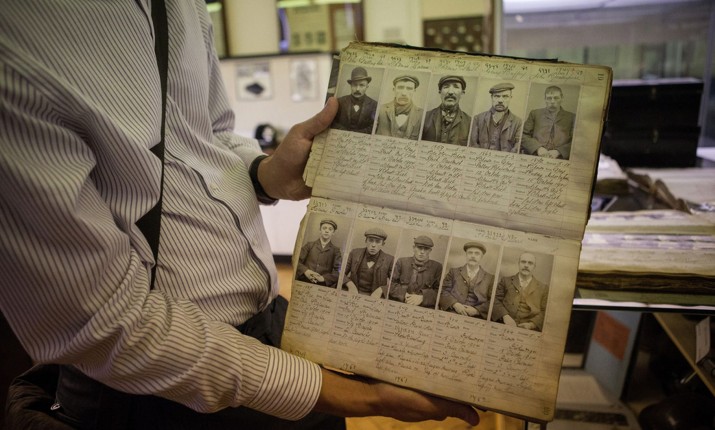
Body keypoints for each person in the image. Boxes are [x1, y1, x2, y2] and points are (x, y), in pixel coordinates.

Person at [0, 1, 479, 428]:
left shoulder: (183, 5)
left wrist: (267, 174)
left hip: (273, 326)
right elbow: (103, 324)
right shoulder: (15, 37)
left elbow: (210, 134)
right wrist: (361, 398)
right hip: (159, 387)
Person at [491, 252, 549, 331]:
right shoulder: (505, 281)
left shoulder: (543, 288)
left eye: (530, 263)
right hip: (503, 324)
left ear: (534, 267)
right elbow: (495, 300)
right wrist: (505, 316)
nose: (526, 265)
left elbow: (545, 311)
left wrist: (532, 324)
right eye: (523, 262)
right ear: (518, 264)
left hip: (529, 329)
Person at [439, 242, 495, 319]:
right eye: (470, 253)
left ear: (481, 257)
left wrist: (477, 310)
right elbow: (443, 291)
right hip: (452, 312)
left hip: (477, 317)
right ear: (466, 255)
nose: (473, 256)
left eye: (477, 253)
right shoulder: (454, 272)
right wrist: (455, 304)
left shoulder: (490, 277)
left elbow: (493, 301)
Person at [521, 85, 575, 160]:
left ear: (562, 98)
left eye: (556, 98)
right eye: (549, 98)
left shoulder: (571, 117)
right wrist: (538, 148)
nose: (552, 101)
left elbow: (576, 142)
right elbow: (523, 135)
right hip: (536, 156)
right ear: (545, 99)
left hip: (560, 159)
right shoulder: (535, 114)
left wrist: (559, 151)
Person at [389, 236, 443, 308]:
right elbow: (391, 284)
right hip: (401, 304)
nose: (422, 252)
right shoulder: (401, 262)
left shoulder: (437, 267)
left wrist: (422, 297)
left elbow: (439, 291)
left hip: (423, 307)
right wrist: (404, 294)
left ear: (430, 250)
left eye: (426, 249)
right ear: (414, 248)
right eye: (419, 248)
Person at [469, 82, 523, 152]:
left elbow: (517, 147)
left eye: (505, 96)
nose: (500, 100)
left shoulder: (518, 122)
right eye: (497, 96)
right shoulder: (478, 119)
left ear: (510, 98)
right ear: (492, 97)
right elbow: (473, 144)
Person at [342, 228, 394, 297]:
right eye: (371, 240)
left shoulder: (389, 260)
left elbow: (395, 283)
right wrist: (349, 284)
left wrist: (382, 289)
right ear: (366, 241)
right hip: (352, 292)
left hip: (375, 297)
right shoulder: (354, 253)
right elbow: (340, 272)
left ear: (383, 244)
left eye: (378, 242)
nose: (373, 245)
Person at [421, 76, 471, 145]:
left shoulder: (470, 122)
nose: (450, 92)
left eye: (456, 87)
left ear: (462, 93)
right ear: (440, 92)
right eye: (446, 87)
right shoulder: (425, 117)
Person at [375, 75, 424, 140]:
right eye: (400, 88)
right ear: (394, 90)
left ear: (414, 91)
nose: (404, 93)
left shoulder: (422, 115)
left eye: (409, 88)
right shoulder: (380, 109)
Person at [332, 66, 378, 134]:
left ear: (367, 87)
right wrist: (346, 133)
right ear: (351, 86)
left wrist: (357, 135)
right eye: (354, 85)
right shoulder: (340, 102)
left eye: (361, 85)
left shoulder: (374, 105)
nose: (357, 89)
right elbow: (333, 122)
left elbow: (373, 126)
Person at [296, 219, 342, 287]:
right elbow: (296, 261)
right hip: (304, 281)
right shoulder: (309, 245)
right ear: (320, 230)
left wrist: (324, 278)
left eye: (330, 229)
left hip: (322, 285)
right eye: (324, 228)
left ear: (333, 232)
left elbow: (338, 271)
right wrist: (306, 271)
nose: (327, 231)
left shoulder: (336, 250)